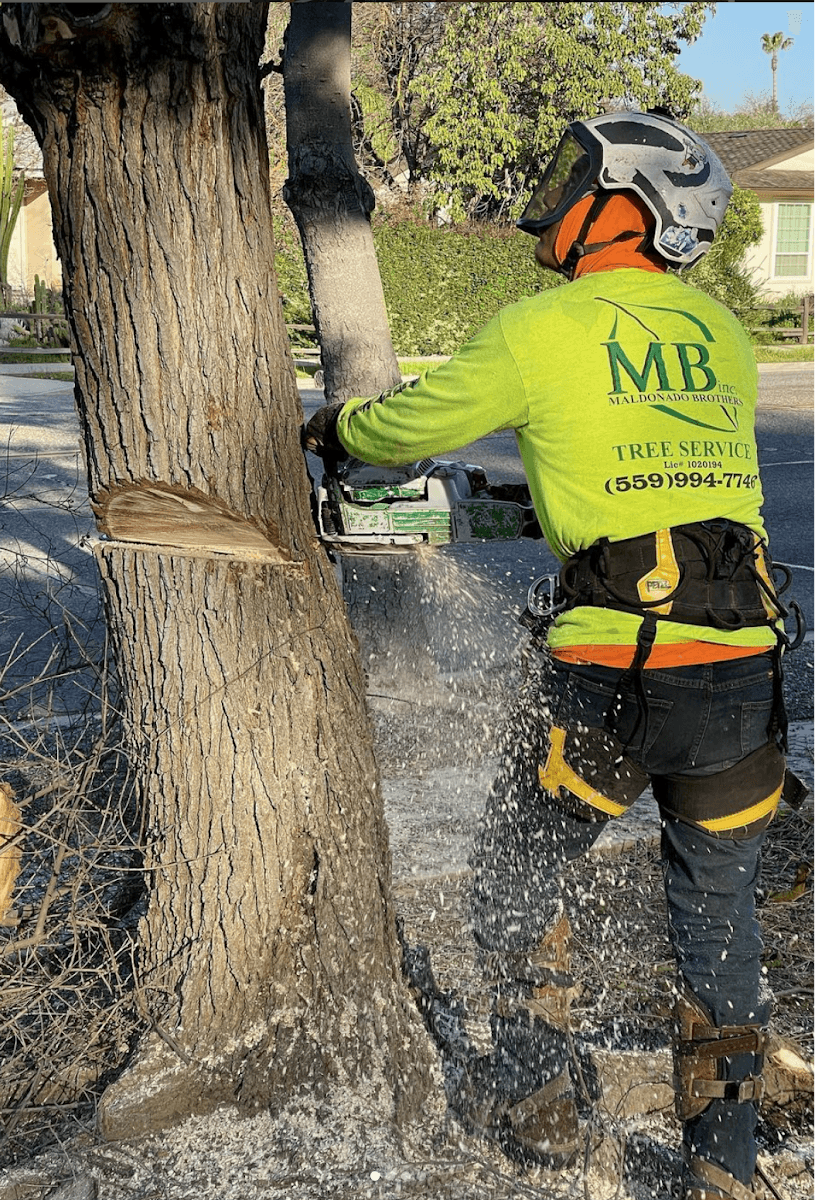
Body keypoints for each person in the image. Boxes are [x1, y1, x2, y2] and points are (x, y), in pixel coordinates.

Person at [303, 111, 805, 1200]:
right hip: (745, 674)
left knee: (510, 880)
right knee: (718, 920)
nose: (557, 193)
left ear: (631, 206)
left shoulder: (542, 326)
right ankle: (725, 1163)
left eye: (581, 177)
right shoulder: (723, 333)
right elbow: (652, 476)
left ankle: (544, 1107)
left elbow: (403, 428)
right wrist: (534, 508)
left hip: (616, 677)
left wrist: (334, 432)